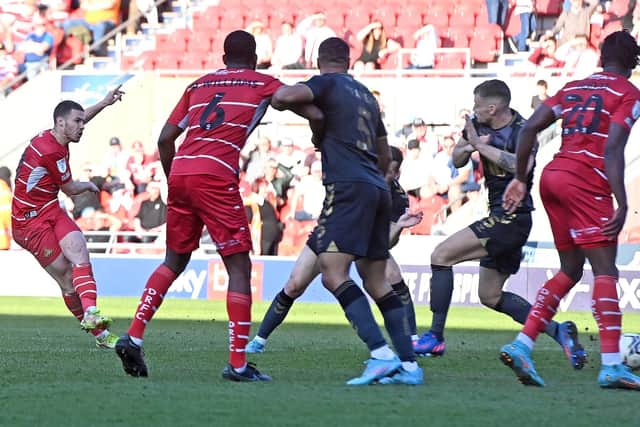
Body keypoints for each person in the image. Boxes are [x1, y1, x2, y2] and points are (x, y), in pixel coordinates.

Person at [114, 30, 322, 381]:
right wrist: (320, 132)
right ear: (255, 58)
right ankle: (238, 364)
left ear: (223, 58)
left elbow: (165, 138)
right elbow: (312, 111)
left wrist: (172, 178)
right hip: (216, 173)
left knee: (173, 261)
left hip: (182, 171)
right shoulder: (261, 82)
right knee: (239, 267)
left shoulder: (197, 86)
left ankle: (134, 335)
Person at [270, 37, 423, 385]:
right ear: (349, 60)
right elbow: (386, 155)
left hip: (348, 187)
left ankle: (380, 354)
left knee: (332, 273)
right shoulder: (368, 97)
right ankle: (411, 366)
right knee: (376, 280)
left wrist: (314, 116)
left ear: (318, 60)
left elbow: (281, 98)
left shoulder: (325, 83)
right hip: (376, 188)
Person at [413, 80, 586, 371]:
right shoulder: (478, 127)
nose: (474, 109)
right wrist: (467, 143)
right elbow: (456, 160)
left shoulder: (524, 129)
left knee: (440, 256)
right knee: (490, 296)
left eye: (477, 105)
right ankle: (559, 331)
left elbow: (521, 165)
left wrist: (480, 144)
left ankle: (435, 337)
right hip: (501, 217)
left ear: (492, 108)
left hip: (511, 218)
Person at [500, 30, 640, 389]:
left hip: (552, 176)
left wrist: (519, 178)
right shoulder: (628, 93)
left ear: (600, 58)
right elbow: (611, 151)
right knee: (605, 269)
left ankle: (522, 344)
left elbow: (530, 127)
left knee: (570, 268)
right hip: (585, 180)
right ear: (634, 62)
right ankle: (611, 365)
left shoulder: (575, 87)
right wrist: (622, 202)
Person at [246, 146, 423, 353]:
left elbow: (387, 242)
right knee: (294, 285)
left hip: (365, 239)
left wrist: (399, 226)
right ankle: (259, 340)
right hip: (331, 230)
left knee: (390, 276)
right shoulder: (360, 178)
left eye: (390, 171)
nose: (384, 173)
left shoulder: (398, 198)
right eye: (381, 167)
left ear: (397, 173)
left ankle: (408, 342)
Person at [11, 86, 124, 349]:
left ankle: (92, 313)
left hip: (49, 207)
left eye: (82, 121)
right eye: (77, 122)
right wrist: (89, 185)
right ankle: (100, 336)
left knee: (79, 251)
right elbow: (70, 189)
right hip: (28, 223)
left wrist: (104, 103)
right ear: (60, 123)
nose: (82, 126)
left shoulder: (55, 137)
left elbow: (81, 118)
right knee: (67, 280)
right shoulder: (50, 152)